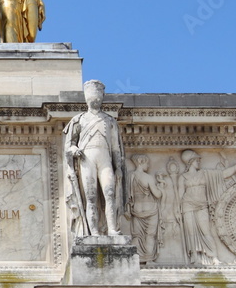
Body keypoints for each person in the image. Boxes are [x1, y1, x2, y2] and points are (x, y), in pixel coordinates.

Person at [63, 80, 128, 236]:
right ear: (87, 97)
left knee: (110, 193)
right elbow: (68, 144)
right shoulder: (79, 120)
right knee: (91, 197)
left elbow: (115, 148)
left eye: (98, 95)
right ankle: (94, 233)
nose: (96, 98)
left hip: (105, 158)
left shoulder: (110, 121)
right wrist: (74, 149)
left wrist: (118, 167)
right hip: (87, 159)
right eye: (93, 95)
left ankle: (112, 229)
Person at [178, 150, 236, 266]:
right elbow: (179, 196)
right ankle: (194, 257)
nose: (199, 161)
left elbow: (222, 175)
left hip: (202, 205)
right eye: (196, 160)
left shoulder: (204, 173)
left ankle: (213, 257)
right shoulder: (183, 177)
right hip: (187, 206)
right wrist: (177, 211)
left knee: (206, 231)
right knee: (191, 233)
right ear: (190, 161)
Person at [129, 154, 162, 263]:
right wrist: (161, 186)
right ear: (140, 161)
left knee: (136, 235)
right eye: (147, 163)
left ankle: (135, 259)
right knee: (150, 235)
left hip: (136, 210)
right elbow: (157, 194)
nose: (148, 166)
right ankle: (148, 259)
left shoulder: (130, 177)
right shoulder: (148, 177)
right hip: (151, 210)